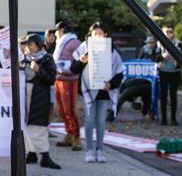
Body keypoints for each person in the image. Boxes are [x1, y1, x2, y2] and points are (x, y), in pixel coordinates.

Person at [71, 22, 124, 163]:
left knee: (100, 121)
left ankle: (99, 150)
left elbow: (119, 72)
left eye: (101, 34)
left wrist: (111, 84)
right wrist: (81, 61)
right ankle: (89, 150)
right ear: (90, 35)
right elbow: (73, 68)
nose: (98, 36)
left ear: (106, 35)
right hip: (88, 89)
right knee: (89, 120)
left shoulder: (112, 51)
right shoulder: (84, 47)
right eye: (95, 34)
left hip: (104, 91)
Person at [20, 34, 61, 169]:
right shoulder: (24, 59)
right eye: (27, 45)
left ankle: (44, 155)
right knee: (26, 124)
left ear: (38, 45)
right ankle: (31, 153)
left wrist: (39, 70)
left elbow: (51, 79)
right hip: (26, 95)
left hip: (40, 96)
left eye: (30, 44)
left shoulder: (47, 58)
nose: (28, 47)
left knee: (39, 126)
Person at [53, 21, 82, 151]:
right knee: (61, 110)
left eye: (57, 30)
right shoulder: (61, 42)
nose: (55, 33)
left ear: (62, 30)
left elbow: (80, 60)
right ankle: (69, 133)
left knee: (69, 109)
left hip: (69, 79)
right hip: (59, 78)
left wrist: (67, 68)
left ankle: (76, 136)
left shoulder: (74, 42)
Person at [156, 24, 182, 126]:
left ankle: (173, 118)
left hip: (175, 72)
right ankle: (164, 118)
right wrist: (163, 57)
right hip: (163, 71)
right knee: (163, 95)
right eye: (166, 32)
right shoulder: (159, 44)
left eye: (171, 32)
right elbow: (154, 58)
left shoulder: (178, 43)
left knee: (173, 95)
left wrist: (176, 56)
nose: (169, 34)